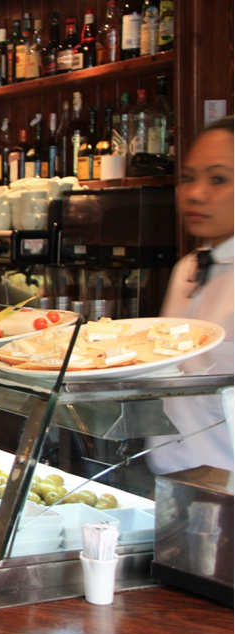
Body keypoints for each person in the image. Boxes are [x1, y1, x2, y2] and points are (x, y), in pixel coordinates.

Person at [146, 116, 234, 476]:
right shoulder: (188, 268)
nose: (196, 193)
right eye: (187, 178)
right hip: (176, 483)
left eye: (218, 179)